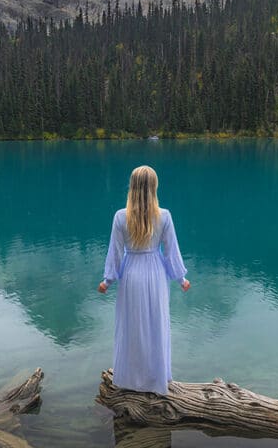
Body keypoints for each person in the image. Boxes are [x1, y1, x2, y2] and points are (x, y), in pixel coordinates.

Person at [98, 165, 190, 395]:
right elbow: (171, 251)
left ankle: (131, 378)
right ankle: (155, 378)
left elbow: (116, 252)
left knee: (132, 326)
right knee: (156, 325)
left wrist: (108, 280)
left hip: (131, 274)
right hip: (156, 273)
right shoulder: (164, 216)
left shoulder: (121, 216)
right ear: (154, 187)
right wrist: (181, 278)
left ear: (132, 187)